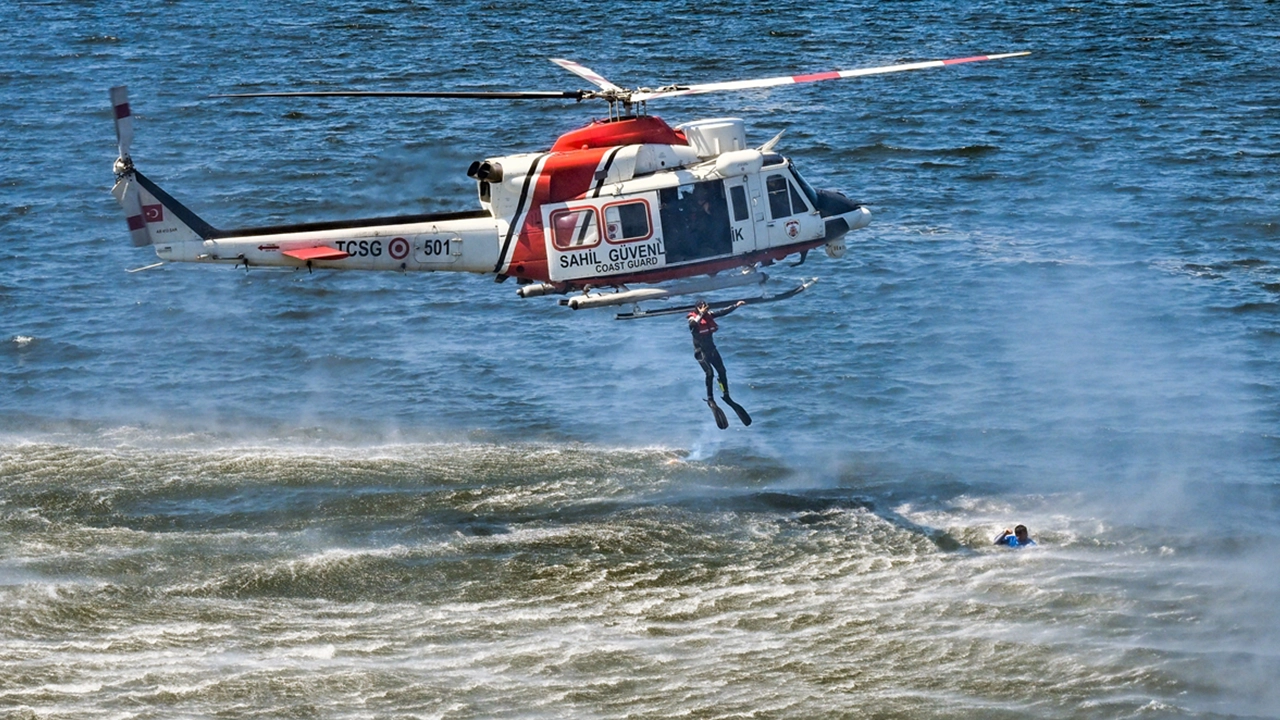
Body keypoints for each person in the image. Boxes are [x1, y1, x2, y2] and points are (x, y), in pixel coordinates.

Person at [688, 298, 745, 402]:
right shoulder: (693, 318)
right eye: (702, 308)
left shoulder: (708, 315)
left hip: (712, 350)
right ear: (697, 308)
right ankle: (710, 398)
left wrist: (736, 305)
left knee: (722, 371)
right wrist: (700, 314)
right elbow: (693, 325)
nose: (705, 310)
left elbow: (722, 312)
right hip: (700, 352)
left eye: (706, 308)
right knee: (709, 373)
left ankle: (725, 393)